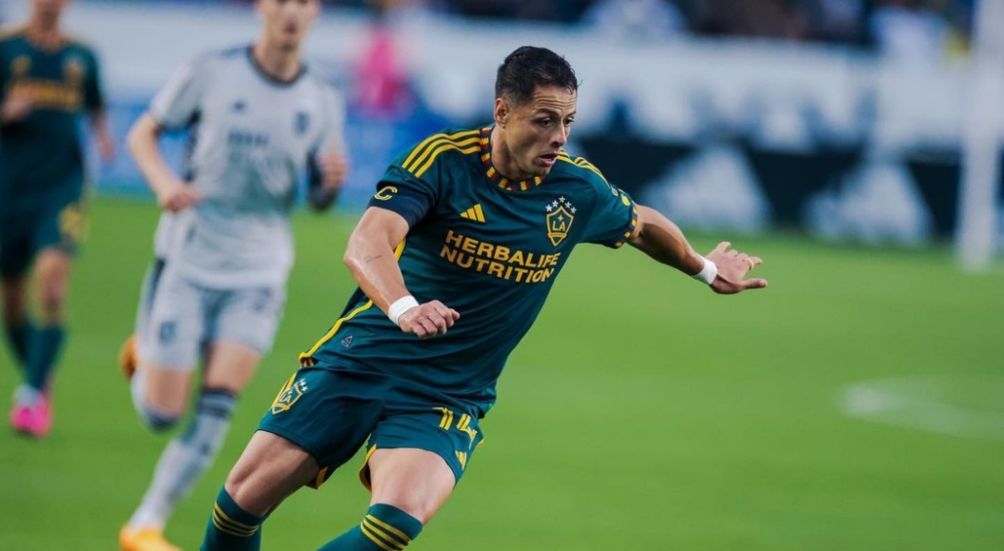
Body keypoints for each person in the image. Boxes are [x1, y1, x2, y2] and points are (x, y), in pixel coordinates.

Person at [199, 45, 766, 551]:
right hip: (362, 359)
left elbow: (642, 224)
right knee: (239, 507)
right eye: (544, 120)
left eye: (567, 122)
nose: (559, 137)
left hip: (448, 392)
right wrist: (405, 308)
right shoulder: (442, 160)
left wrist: (705, 268)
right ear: (502, 112)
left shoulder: (577, 188)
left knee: (396, 522)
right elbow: (369, 240)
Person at [117, 1, 348, 549]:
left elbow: (317, 198)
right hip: (191, 258)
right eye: (282, 1)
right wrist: (163, 184)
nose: (292, 12)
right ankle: (142, 357)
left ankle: (145, 523)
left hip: (260, 270)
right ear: (262, 7)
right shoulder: (212, 70)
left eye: (305, 3)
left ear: (315, 14)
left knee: (219, 404)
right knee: (160, 414)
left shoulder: (323, 96)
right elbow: (142, 135)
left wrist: (331, 185)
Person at [0, 0, 114, 438]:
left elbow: (97, 105)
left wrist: (104, 139)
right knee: (11, 303)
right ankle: (39, 376)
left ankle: (29, 395)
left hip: (62, 188)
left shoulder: (82, 56)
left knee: (50, 282)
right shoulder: (7, 49)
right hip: (10, 190)